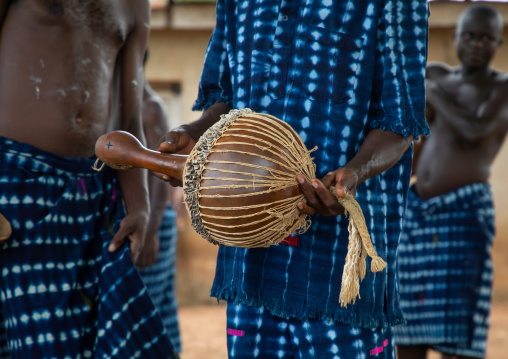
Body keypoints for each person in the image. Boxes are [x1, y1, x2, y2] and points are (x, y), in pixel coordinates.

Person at [156, 1, 430, 358]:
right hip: (251, 258)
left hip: (338, 270)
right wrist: (195, 132)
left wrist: (354, 173)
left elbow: (400, 122)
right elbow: (225, 99)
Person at [0, 1, 177, 358]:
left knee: (110, 342)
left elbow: (128, 116)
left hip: (92, 192)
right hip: (13, 183)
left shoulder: (135, 5)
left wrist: (139, 205)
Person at [394, 4, 507, 359]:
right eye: (469, 35)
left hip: (464, 214)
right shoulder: (437, 74)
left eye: (486, 38)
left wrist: (435, 94)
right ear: (455, 37)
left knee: (458, 323)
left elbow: (476, 131)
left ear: (498, 43)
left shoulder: (501, 88)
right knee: (406, 319)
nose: (476, 44)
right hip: (417, 213)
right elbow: (412, 132)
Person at [138, 51, 182, 353]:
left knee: (148, 307)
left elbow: (158, 174)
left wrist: (150, 230)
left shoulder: (149, 107)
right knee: (158, 304)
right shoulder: (123, 105)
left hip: (154, 219)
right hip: (147, 218)